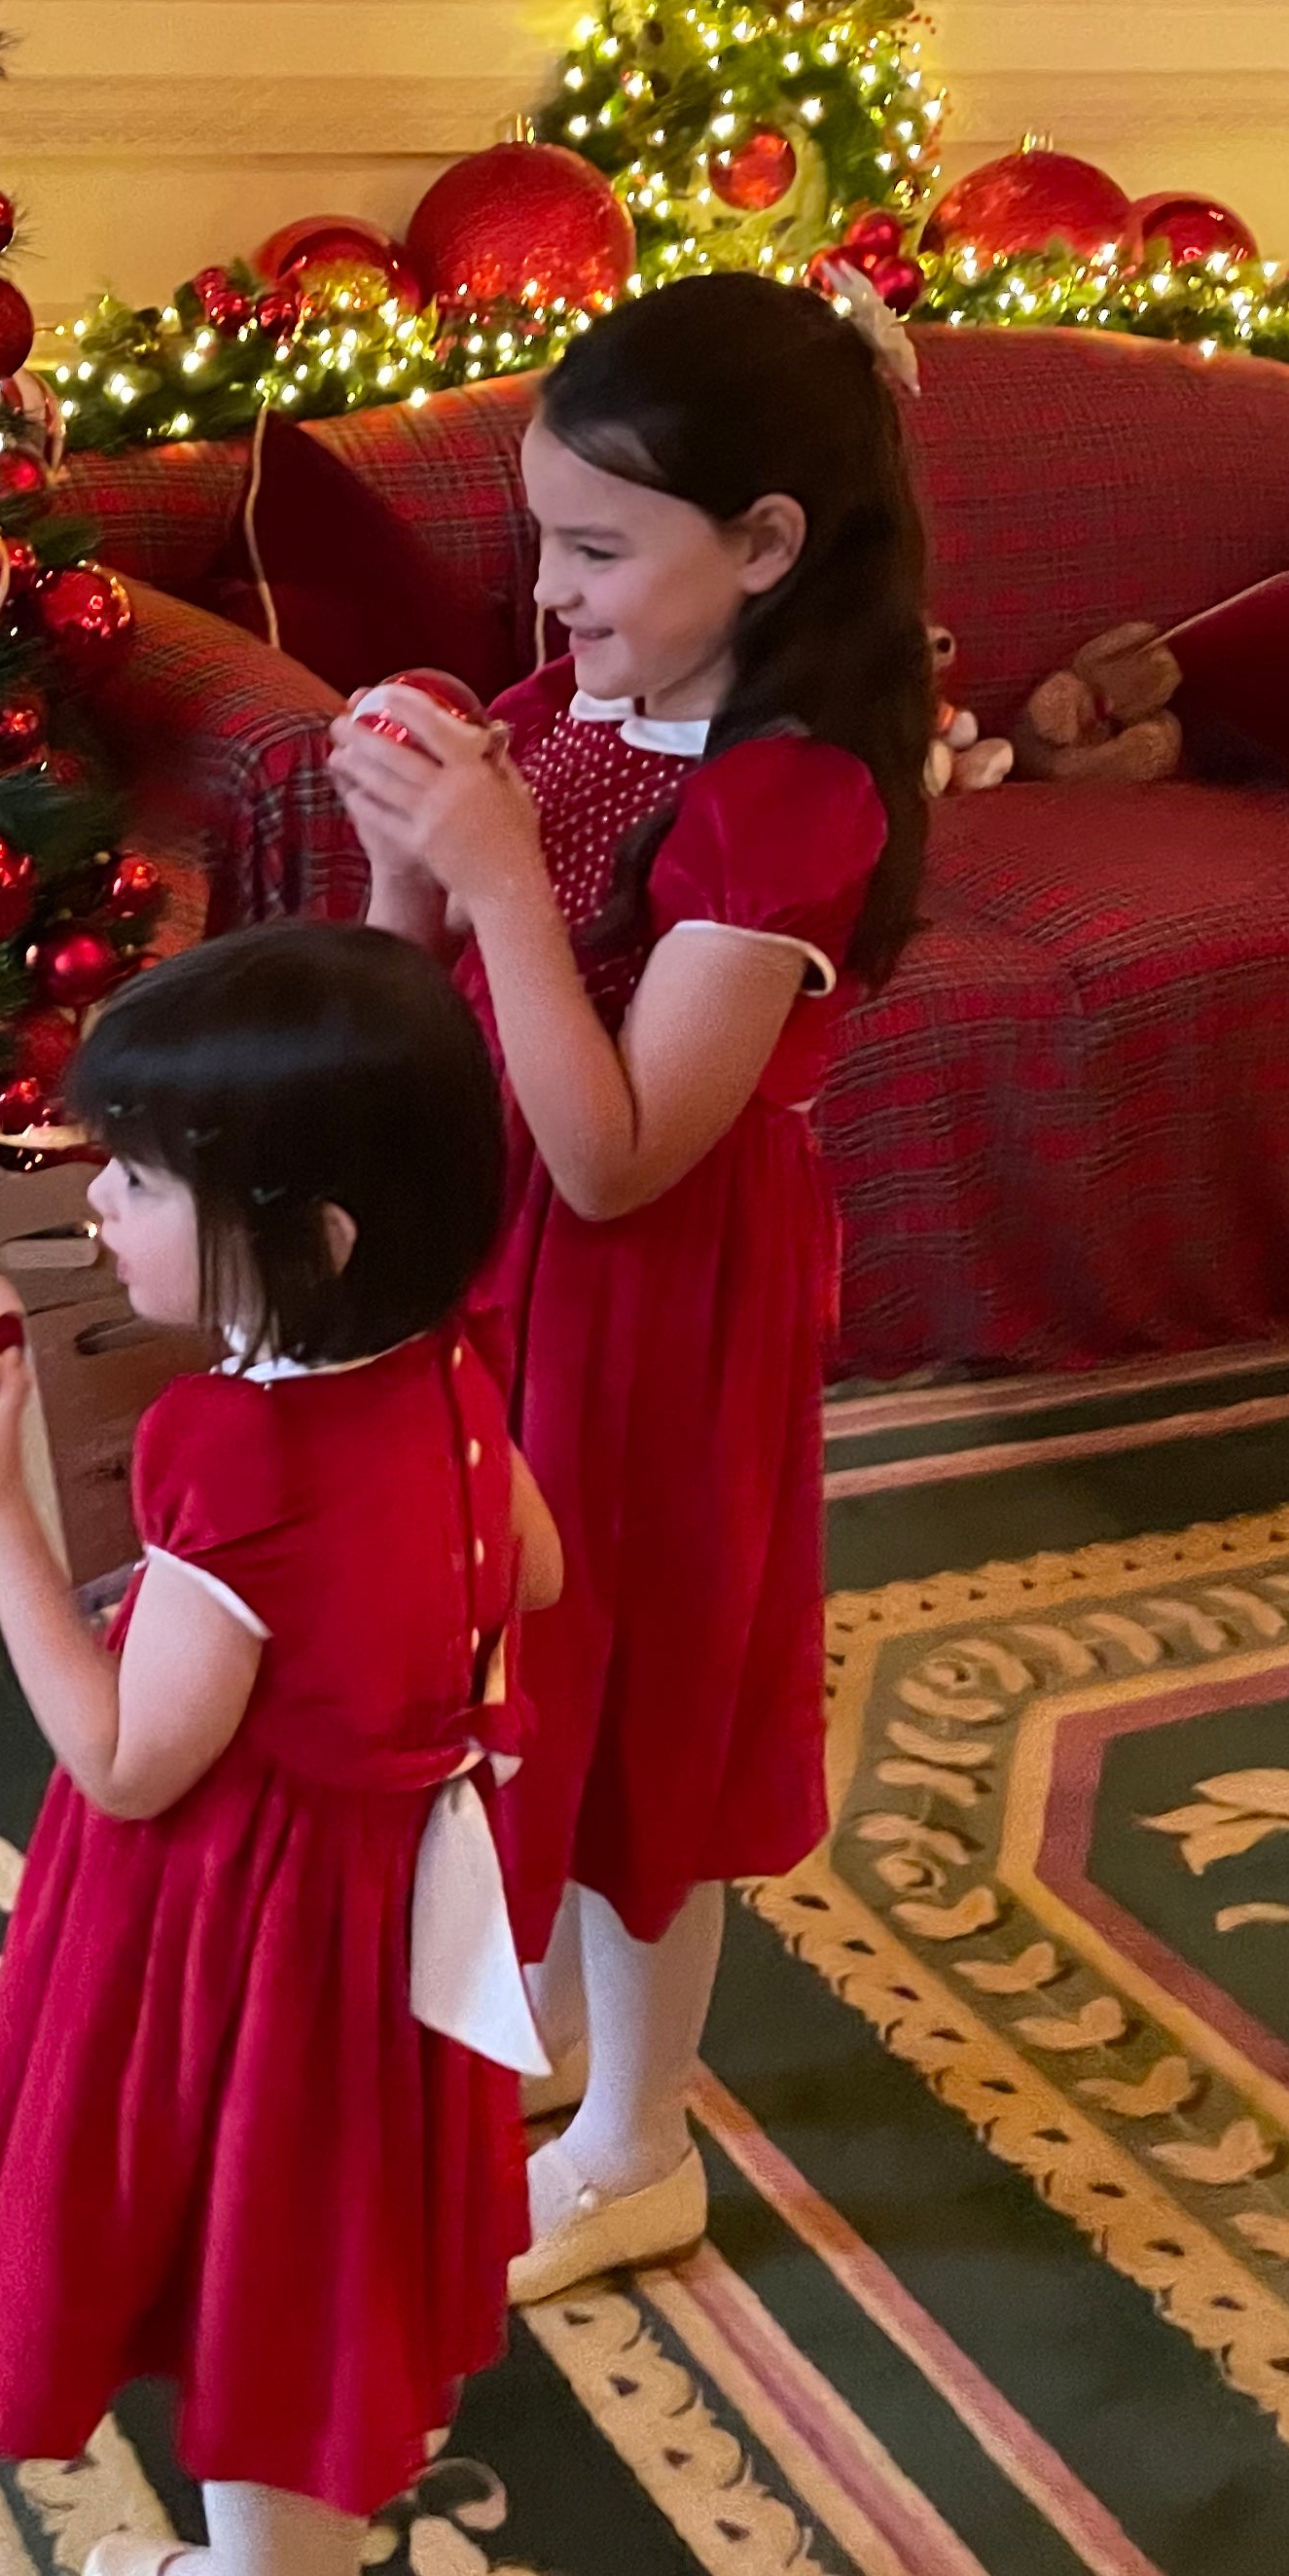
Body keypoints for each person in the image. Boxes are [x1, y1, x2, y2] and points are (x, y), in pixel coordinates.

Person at [0, 923, 560, 2576]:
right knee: (310, 2287)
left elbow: (125, 1760)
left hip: (246, 1934)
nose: (99, 1204)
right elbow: (539, 1573)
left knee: (258, 2305)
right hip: (390, 1899)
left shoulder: (225, 1444)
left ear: (312, 1236)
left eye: (147, 1178)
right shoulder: (445, 1368)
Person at [329, 276, 932, 2304]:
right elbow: (420, 1015)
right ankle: (569, 2036)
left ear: (765, 546)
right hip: (506, 1281)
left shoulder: (791, 800)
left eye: (600, 551)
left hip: (660, 1310)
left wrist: (498, 876)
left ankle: (641, 2141)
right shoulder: (561, 715)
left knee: (649, 1693)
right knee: (528, 1678)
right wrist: (411, 859)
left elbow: (618, 1153)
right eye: (544, 541)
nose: (555, 593)